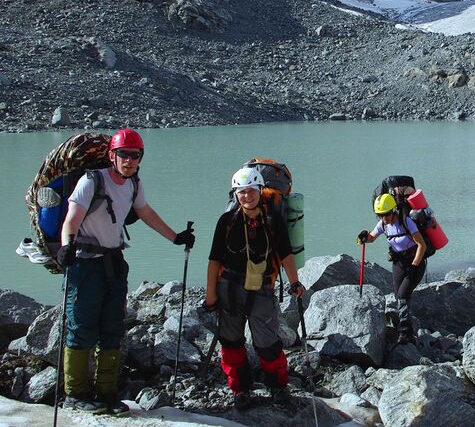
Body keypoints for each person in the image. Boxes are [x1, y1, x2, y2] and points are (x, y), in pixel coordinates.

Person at [58, 128, 195, 415]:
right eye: (124, 154)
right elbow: (71, 221)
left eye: (135, 155)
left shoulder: (133, 185)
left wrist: (175, 237)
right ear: (112, 155)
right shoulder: (91, 181)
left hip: (114, 264)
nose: (130, 160)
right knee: (81, 327)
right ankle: (76, 394)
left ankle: (106, 393)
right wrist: (66, 247)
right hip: (85, 264)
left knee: (111, 328)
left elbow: (146, 213)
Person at [204, 167, 306, 410]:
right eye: (241, 192)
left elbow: (285, 254)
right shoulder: (227, 221)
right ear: (235, 195)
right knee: (230, 341)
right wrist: (210, 293)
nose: (247, 196)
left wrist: (295, 282)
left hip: (262, 287)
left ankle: (278, 387)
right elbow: (214, 258)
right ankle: (240, 390)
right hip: (229, 287)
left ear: (260, 191)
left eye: (251, 191)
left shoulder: (273, 220)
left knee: (267, 342)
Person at [357, 193, 426, 344]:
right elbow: (372, 238)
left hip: (415, 262)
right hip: (399, 262)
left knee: (402, 295)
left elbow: (422, 245)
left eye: (386, 214)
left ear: (393, 210)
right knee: (398, 296)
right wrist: (363, 237)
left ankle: (406, 332)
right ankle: (410, 331)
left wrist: (414, 266)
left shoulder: (406, 222)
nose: (384, 218)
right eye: (380, 215)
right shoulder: (383, 225)